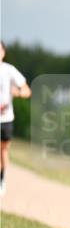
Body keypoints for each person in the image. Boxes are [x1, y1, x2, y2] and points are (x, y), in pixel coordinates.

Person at [0, 40, 32, 195]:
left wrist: (17, 92)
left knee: (3, 151)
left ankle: (2, 178)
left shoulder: (9, 70)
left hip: (5, 119)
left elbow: (27, 90)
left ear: (3, 53)